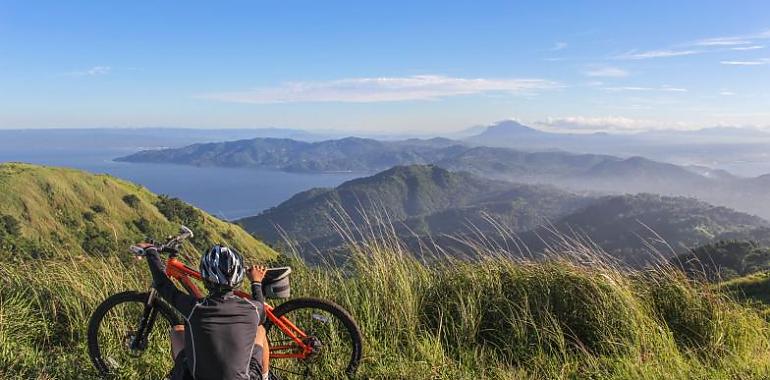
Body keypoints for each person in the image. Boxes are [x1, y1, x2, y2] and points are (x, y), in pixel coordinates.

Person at [140, 243, 271, 380]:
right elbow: (261, 313)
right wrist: (256, 282)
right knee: (260, 329)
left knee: (177, 331)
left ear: (205, 277)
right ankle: (265, 377)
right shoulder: (253, 309)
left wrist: (150, 251)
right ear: (238, 277)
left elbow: (163, 284)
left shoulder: (194, 308)